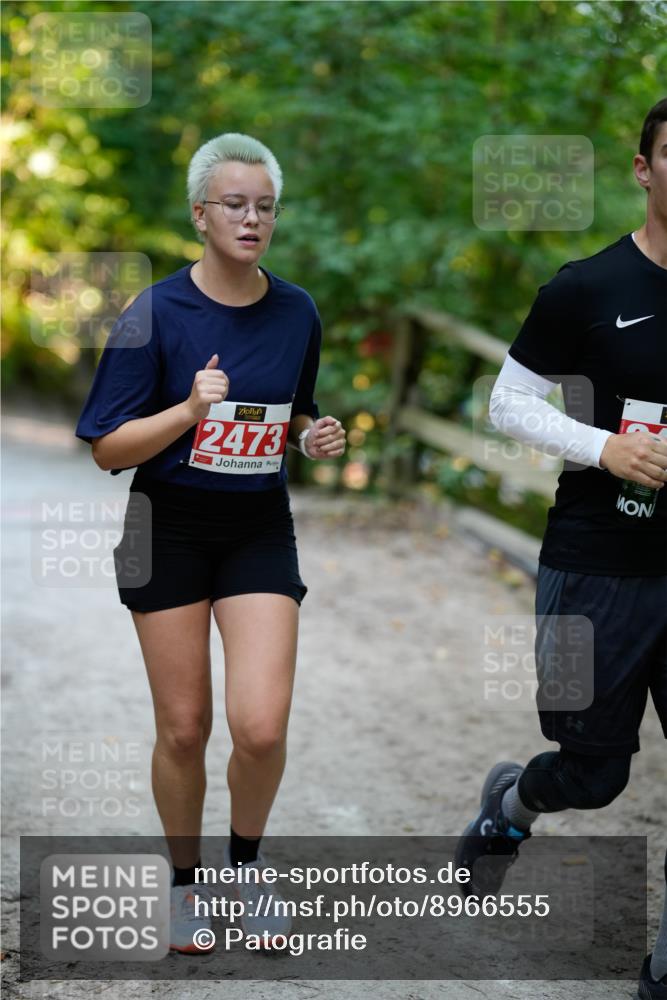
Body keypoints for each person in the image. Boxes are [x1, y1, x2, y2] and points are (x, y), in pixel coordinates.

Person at [75, 133, 346, 953]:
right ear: (200, 214)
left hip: (257, 528)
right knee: (185, 728)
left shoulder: (296, 310)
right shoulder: (152, 313)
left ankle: (246, 871)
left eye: (264, 206)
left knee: (259, 727)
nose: (252, 218)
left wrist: (312, 433)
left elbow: (288, 409)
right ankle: (186, 886)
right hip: (169, 529)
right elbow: (106, 448)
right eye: (235, 204)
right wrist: (188, 412)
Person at [454, 99, 667, 999]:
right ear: (643, 168)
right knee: (592, 773)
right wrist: (604, 448)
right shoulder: (585, 288)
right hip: (599, 564)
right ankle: (511, 805)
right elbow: (507, 403)